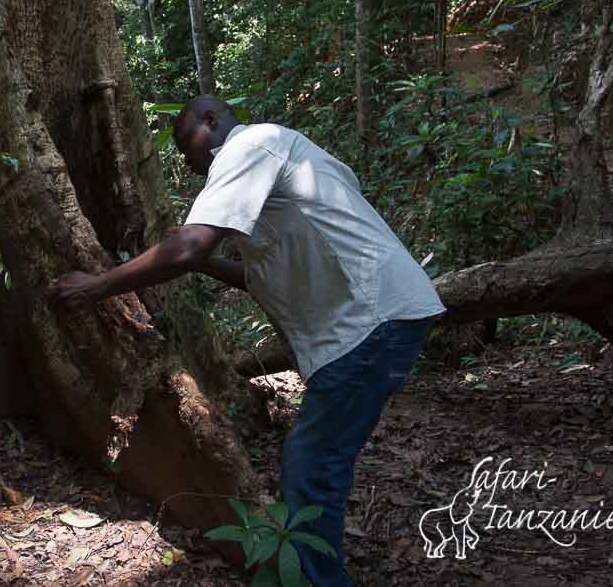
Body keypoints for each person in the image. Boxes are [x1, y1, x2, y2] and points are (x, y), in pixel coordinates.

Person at [48, 94, 445, 586]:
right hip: (382, 319)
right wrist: (197, 258)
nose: (189, 163)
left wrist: (97, 286)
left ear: (210, 121)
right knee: (319, 459)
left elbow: (192, 242)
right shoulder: (293, 159)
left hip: (371, 322)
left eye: (186, 145)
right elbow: (254, 275)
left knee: (312, 462)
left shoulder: (252, 145)